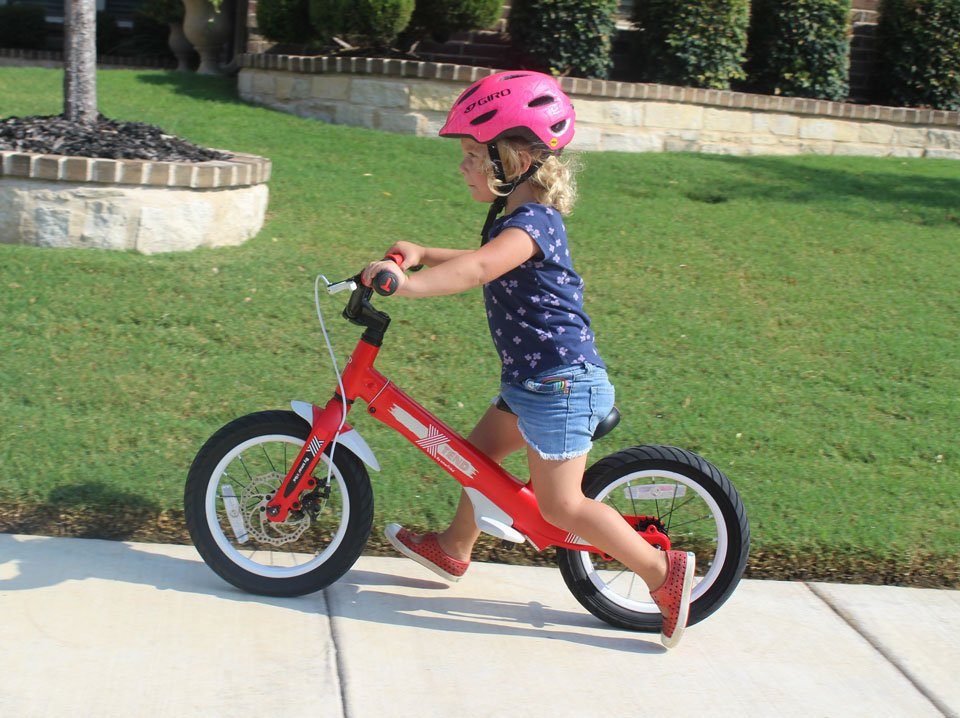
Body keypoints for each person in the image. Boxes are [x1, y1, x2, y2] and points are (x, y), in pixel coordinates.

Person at [360, 71, 696, 648]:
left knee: (560, 505)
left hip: (562, 385)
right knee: (475, 459)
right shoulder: (516, 220)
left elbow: (480, 269)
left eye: (471, 154)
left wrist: (407, 286)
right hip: (531, 383)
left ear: (510, 158)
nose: (462, 165)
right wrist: (419, 252)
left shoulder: (535, 221)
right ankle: (454, 548)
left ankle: (663, 574)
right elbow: (480, 256)